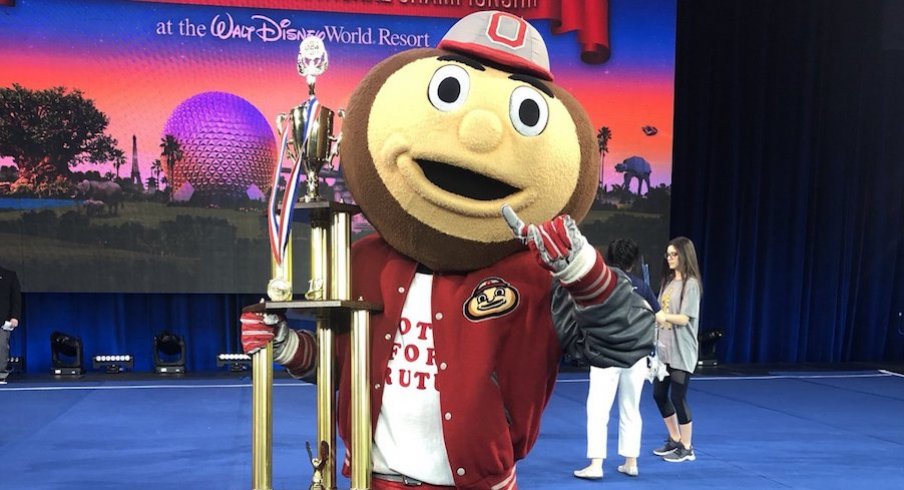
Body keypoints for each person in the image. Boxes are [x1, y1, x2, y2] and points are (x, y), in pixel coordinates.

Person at [240, 10, 655, 489]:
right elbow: (339, 369)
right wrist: (287, 345)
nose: (479, 133)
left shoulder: (538, 275)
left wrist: (582, 268)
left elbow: (628, 343)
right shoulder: (365, 260)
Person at [574, 239, 660, 480]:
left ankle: (596, 464)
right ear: (634, 261)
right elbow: (658, 317)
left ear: (609, 258)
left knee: (598, 409)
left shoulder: (602, 284)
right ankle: (631, 461)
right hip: (635, 357)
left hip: (605, 355)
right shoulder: (641, 286)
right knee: (631, 408)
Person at [651, 236, 702, 463]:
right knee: (659, 395)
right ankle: (675, 439)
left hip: (682, 351)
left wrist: (663, 316)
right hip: (664, 351)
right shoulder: (668, 282)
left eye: (674, 254)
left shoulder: (691, 284)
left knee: (678, 398)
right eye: (668, 254)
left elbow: (684, 318)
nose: (670, 258)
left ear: (684, 256)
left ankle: (687, 447)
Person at [0, 264, 22, 385]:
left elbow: (16, 299)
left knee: (1, 346)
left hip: (2, 319)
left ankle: (0, 374)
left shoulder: (9, 276)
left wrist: (15, 317)